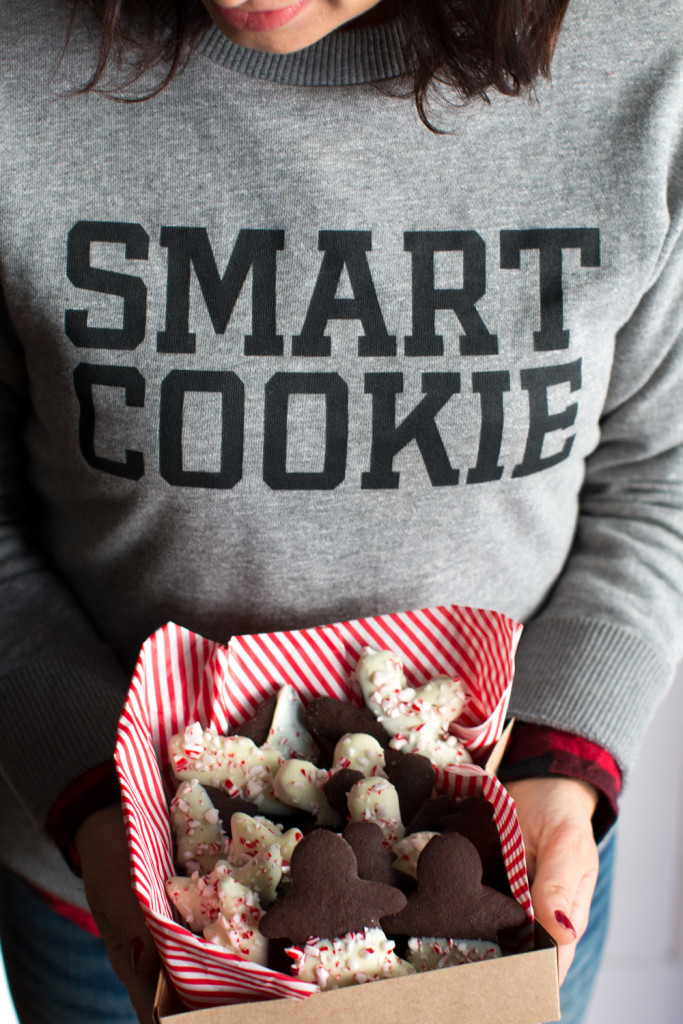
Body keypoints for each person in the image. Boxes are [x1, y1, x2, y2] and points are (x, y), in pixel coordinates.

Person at [0, 0, 681, 1021]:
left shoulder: (645, 57)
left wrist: (558, 767)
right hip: (104, 894)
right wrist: (97, 797)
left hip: (512, 879)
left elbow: (655, 476)